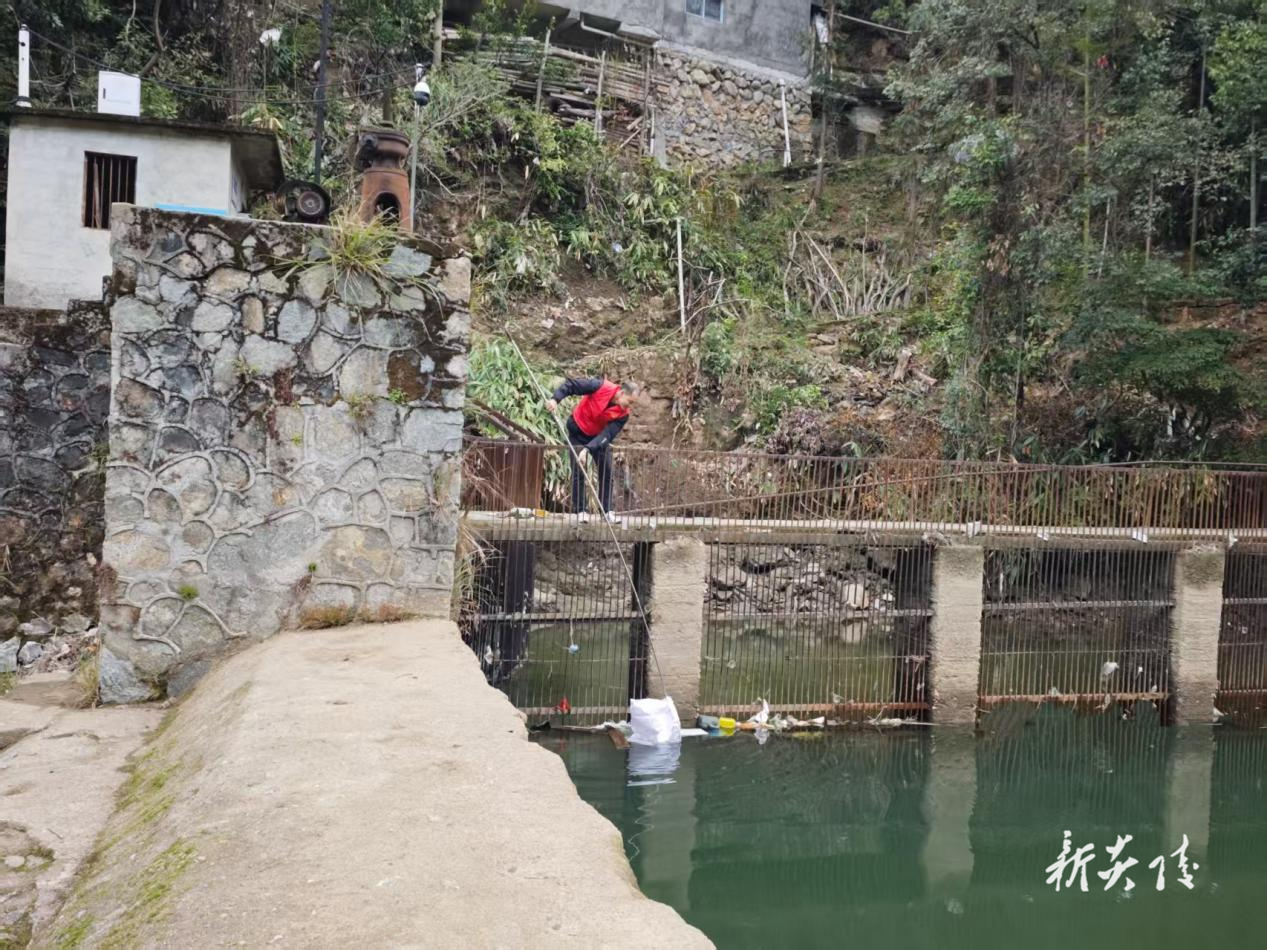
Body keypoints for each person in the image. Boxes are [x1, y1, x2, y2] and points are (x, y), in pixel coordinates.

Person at [546, 377, 640, 521]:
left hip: (597, 438)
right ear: (621, 393)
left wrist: (588, 449)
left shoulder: (623, 415)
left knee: (607, 470)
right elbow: (572, 385)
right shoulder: (600, 386)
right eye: (630, 401)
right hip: (578, 429)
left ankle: (607, 511)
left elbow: (607, 434)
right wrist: (555, 399)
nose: (629, 406)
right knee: (578, 468)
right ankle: (580, 511)